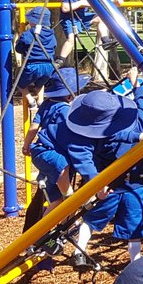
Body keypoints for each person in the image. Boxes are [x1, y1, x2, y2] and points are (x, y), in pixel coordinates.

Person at [62, 85, 143, 266]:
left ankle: (81, 251)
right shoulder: (136, 122)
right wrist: (137, 87)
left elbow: (85, 160)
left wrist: (96, 183)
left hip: (114, 184)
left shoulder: (93, 137)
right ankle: (132, 261)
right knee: (129, 223)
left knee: (98, 218)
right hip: (123, 185)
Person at [26, 68, 90, 209]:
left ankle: (44, 228)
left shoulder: (46, 105)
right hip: (52, 155)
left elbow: (33, 127)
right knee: (63, 169)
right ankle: (68, 196)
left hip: (39, 151)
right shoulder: (65, 110)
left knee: (56, 202)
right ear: (69, 97)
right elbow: (73, 131)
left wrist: (26, 145)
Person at [10, 5, 58, 93]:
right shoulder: (52, 35)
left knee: (20, 84)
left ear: (33, 21)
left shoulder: (28, 34)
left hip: (33, 66)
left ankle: (31, 101)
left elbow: (19, 49)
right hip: (50, 66)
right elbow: (54, 46)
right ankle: (40, 101)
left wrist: (19, 43)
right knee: (40, 85)